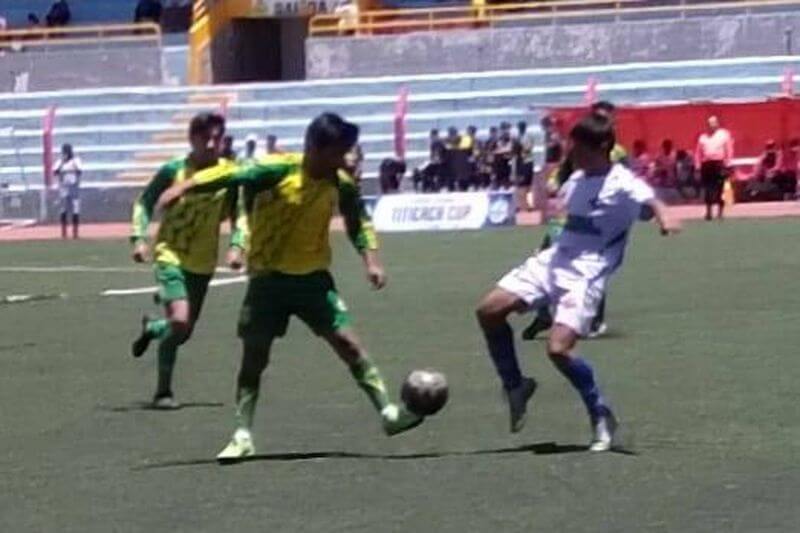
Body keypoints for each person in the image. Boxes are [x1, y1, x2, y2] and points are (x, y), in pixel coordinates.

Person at [156, 112, 426, 461]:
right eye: (339, 152)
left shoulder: (340, 182)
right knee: (254, 357)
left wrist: (370, 260)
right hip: (268, 282)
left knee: (349, 344)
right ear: (315, 148)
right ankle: (242, 434)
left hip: (313, 281)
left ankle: (388, 414)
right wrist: (184, 186)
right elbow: (232, 172)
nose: (345, 160)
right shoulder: (277, 170)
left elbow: (358, 222)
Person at [475, 113, 679, 451]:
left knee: (557, 349)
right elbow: (565, 222)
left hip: (586, 274)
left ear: (602, 147)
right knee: (488, 310)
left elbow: (649, 200)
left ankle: (600, 412)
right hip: (554, 260)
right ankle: (516, 386)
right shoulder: (576, 180)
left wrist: (664, 215)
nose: (573, 152)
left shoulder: (623, 181)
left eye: (580, 146)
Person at [129, 112, 246, 409]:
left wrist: (236, 245)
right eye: (204, 138)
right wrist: (139, 238)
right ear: (191, 139)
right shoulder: (174, 170)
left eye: (217, 138)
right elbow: (144, 202)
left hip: (203, 263)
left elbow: (239, 214)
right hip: (170, 254)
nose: (211, 144)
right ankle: (163, 392)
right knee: (180, 321)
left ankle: (154, 329)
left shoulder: (230, 175)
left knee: (182, 331)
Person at [522, 101, 626, 342]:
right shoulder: (576, 149)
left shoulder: (618, 153)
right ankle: (544, 313)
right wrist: (555, 184)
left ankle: (590, 319)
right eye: (598, 119)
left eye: (607, 120)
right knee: (544, 260)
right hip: (566, 218)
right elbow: (561, 176)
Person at [694, 115, 733, 221]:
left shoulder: (724, 134)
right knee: (708, 189)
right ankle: (708, 212)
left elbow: (729, 150)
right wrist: (697, 166)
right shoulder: (702, 137)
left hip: (719, 164)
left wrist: (727, 165)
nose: (711, 125)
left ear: (717, 123)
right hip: (707, 164)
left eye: (713, 123)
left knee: (721, 188)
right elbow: (697, 153)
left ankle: (720, 213)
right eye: (709, 123)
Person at [54, 143, 81, 240]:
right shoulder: (60, 161)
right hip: (63, 187)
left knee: (75, 208)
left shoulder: (75, 160)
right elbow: (55, 172)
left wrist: (70, 169)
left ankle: (75, 232)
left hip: (73, 186)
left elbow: (79, 171)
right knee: (63, 209)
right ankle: (64, 231)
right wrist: (62, 163)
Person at [515, 121, 535, 211]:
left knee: (526, 185)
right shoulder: (517, 137)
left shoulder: (526, 138)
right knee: (520, 185)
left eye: (521, 127)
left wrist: (519, 147)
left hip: (526, 162)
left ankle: (529, 205)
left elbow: (528, 149)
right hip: (520, 163)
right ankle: (522, 205)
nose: (519, 129)